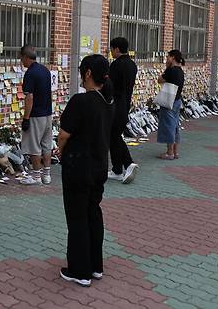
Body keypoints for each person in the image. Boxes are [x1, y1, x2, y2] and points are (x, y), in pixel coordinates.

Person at [55, 54, 114, 287]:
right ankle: (95, 266)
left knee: (77, 218)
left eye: (82, 70)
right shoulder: (108, 102)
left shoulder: (81, 101)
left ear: (88, 73)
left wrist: (59, 150)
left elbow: (64, 134)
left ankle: (79, 271)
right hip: (99, 167)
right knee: (93, 213)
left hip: (78, 167)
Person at [19, 45, 53, 185]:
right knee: (46, 144)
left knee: (34, 146)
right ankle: (47, 175)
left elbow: (29, 98)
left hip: (35, 115)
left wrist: (26, 118)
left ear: (26, 57)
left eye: (22, 58)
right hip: (47, 114)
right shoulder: (45, 70)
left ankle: (36, 176)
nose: (21, 61)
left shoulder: (30, 73)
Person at [107, 37, 139, 184]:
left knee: (114, 136)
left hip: (115, 105)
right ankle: (117, 169)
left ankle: (128, 163)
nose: (111, 52)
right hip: (125, 104)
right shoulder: (132, 65)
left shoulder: (116, 65)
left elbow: (109, 87)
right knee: (114, 136)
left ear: (117, 49)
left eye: (112, 49)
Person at [156, 50, 184, 160]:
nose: (166, 59)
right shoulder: (180, 71)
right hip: (177, 101)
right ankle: (175, 152)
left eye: (168, 57)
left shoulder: (171, 70)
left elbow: (159, 80)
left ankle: (169, 152)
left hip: (169, 101)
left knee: (168, 125)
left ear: (172, 58)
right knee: (175, 125)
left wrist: (167, 67)